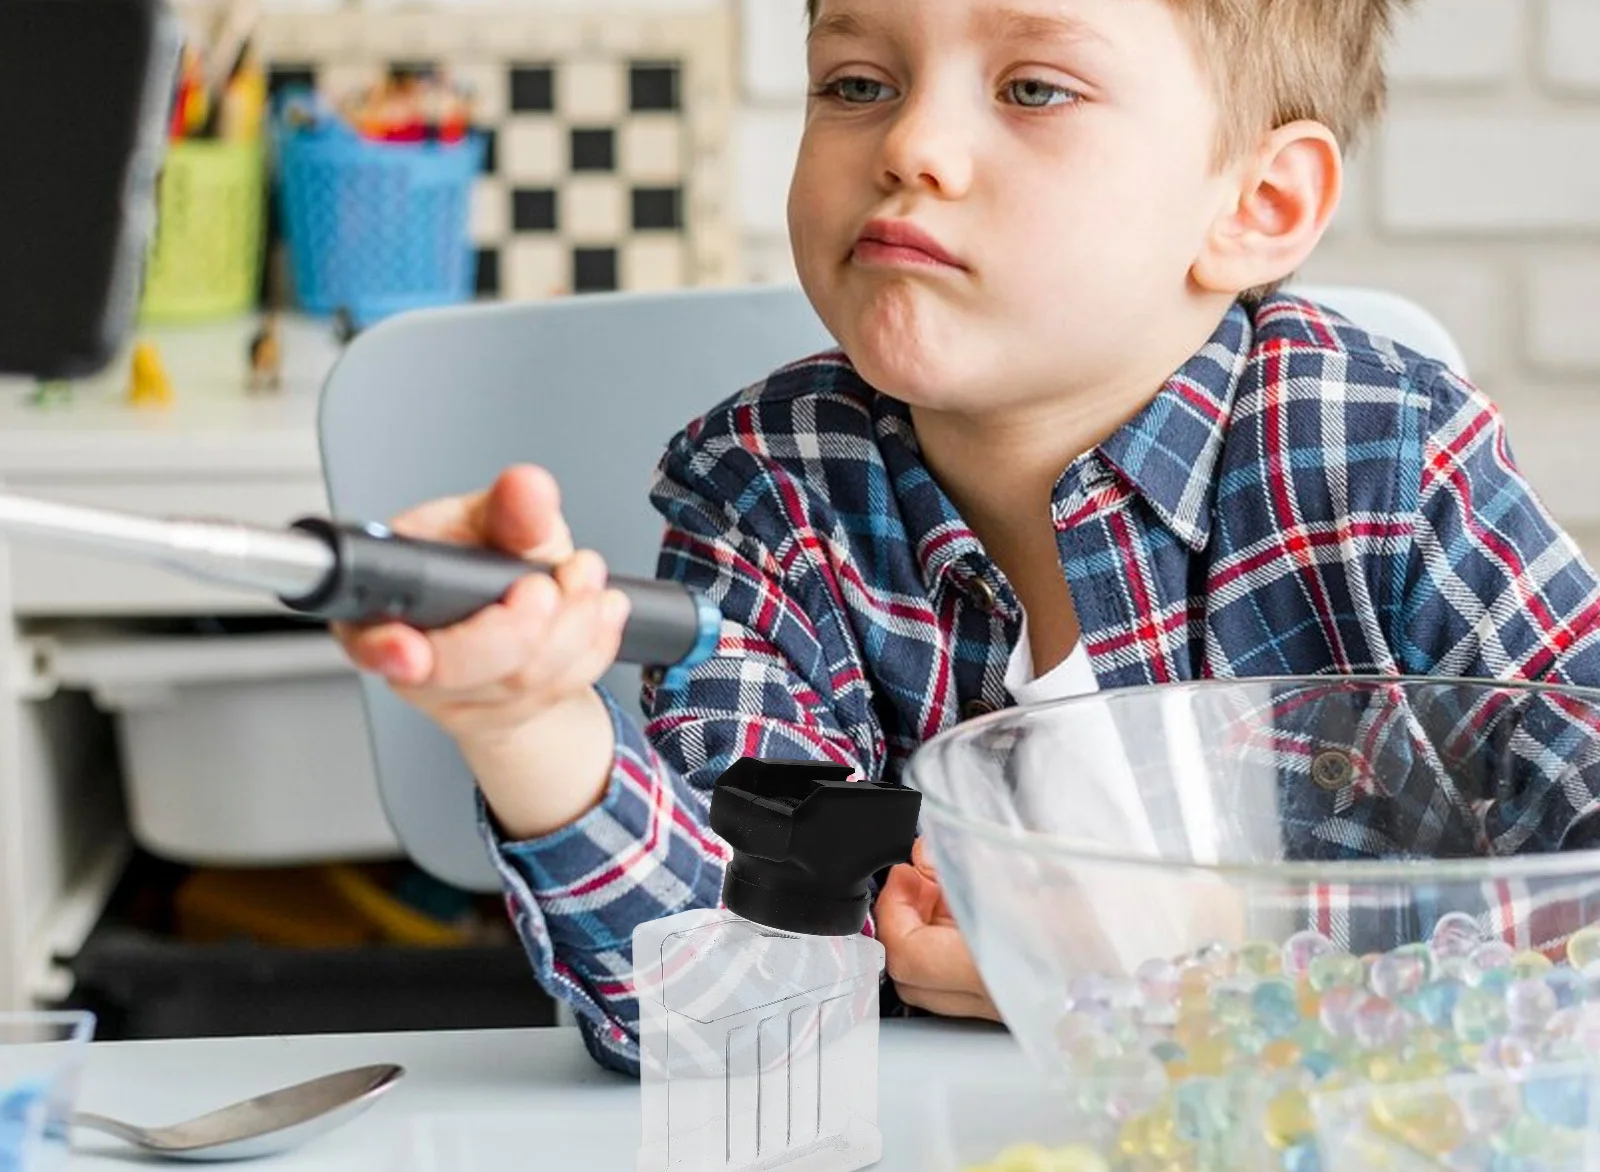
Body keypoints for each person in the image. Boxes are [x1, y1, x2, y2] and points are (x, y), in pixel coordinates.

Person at [334, 0, 1600, 1074]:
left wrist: (1180, 958)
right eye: (856, 81)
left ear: (1257, 204)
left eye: (1033, 88)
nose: (912, 144)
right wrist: (529, 726)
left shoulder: (1379, 455)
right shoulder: (767, 493)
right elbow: (723, 1018)